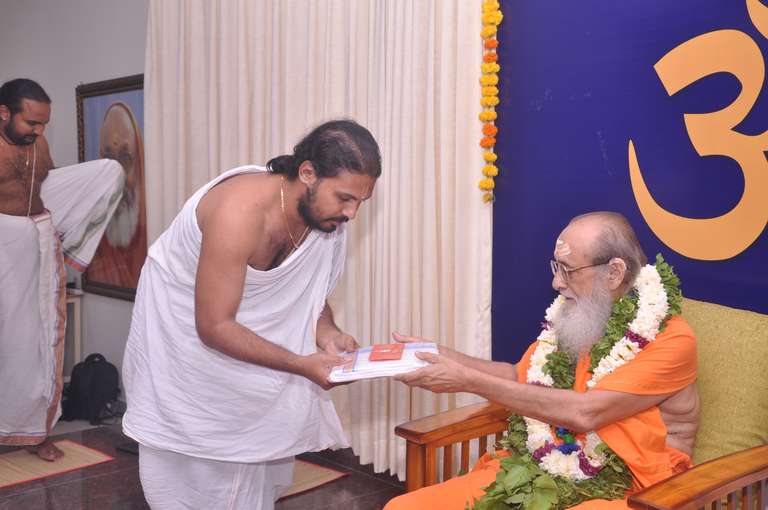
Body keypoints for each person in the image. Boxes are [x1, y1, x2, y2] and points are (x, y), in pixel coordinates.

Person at [122, 119, 382, 509]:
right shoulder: (238, 212)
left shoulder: (326, 221)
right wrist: (300, 364)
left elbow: (309, 297)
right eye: (345, 198)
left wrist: (329, 334)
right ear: (307, 173)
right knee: (193, 475)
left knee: (255, 478)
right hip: (186, 341)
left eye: (361, 201)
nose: (352, 213)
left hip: (247, 348)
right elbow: (214, 326)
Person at [386, 212, 699, 510]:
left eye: (568, 270)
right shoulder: (584, 317)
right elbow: (517, 376)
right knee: (404, 507)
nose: (556, 283)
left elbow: (586, 412)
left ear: (614, 273)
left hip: (635, 487)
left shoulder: (670, 338)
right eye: (556, 268)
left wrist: (467, 380)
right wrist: (439, 355)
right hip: (545, 467)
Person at [0, 79, 124, 461]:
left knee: (35, 343)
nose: (39, 131)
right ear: (3, 113)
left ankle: (33, 432)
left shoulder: (38, 145)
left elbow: (48, 185)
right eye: (31, 122)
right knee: (8, 341)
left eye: (44, 123)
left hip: (34, 239)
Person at [85, 102, 148, 290]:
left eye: (126, 158)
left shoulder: (156, 238)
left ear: (139, 165)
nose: (117, 174)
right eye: (108, 159)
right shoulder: (93, 243)